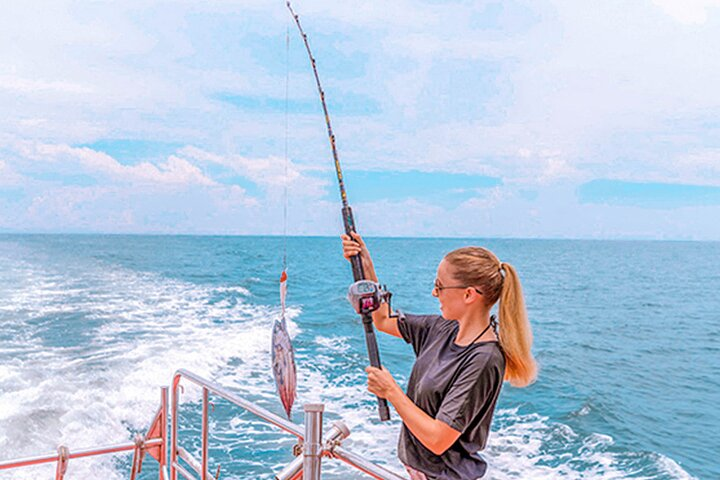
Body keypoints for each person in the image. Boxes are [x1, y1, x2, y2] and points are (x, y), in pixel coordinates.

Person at [341, 232, 537, 480]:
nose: (435, 293)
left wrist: (391, 391)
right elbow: (382, 319)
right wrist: (365, 264)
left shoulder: (484, 359)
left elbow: (438, 439)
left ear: (468, 295)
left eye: (440, 286)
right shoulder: (441, 328)